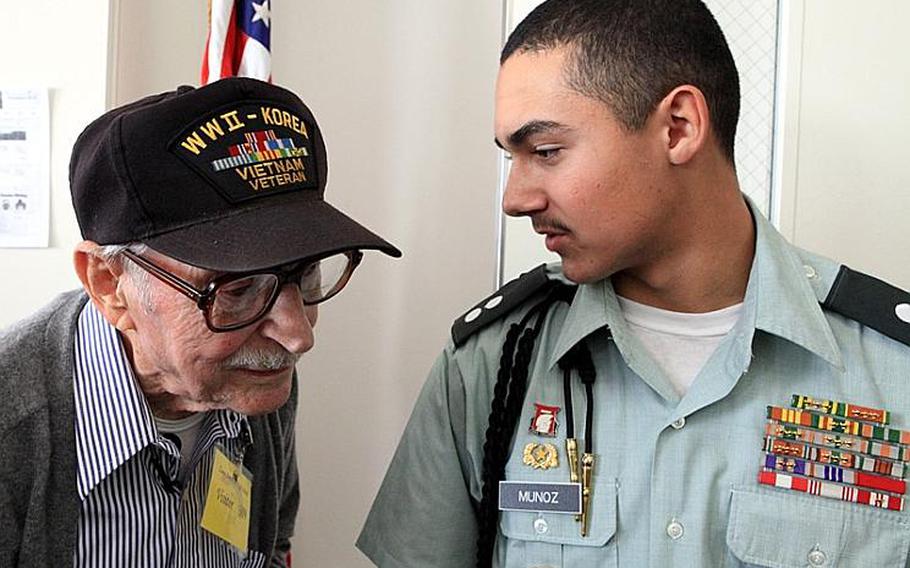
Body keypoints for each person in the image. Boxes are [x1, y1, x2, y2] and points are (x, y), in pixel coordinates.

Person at [357, 1, 910, 566]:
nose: (515, 198)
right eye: (512, 158)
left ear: (679, 128)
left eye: (546, 151)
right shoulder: (491, 365)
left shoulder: (894, 372)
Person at [0, 77, 400, 567]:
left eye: (306, 272)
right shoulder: (14, 429)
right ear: (109, 284)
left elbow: (271, 544)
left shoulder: (256, 378)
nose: (298, 335)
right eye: (236, 290)